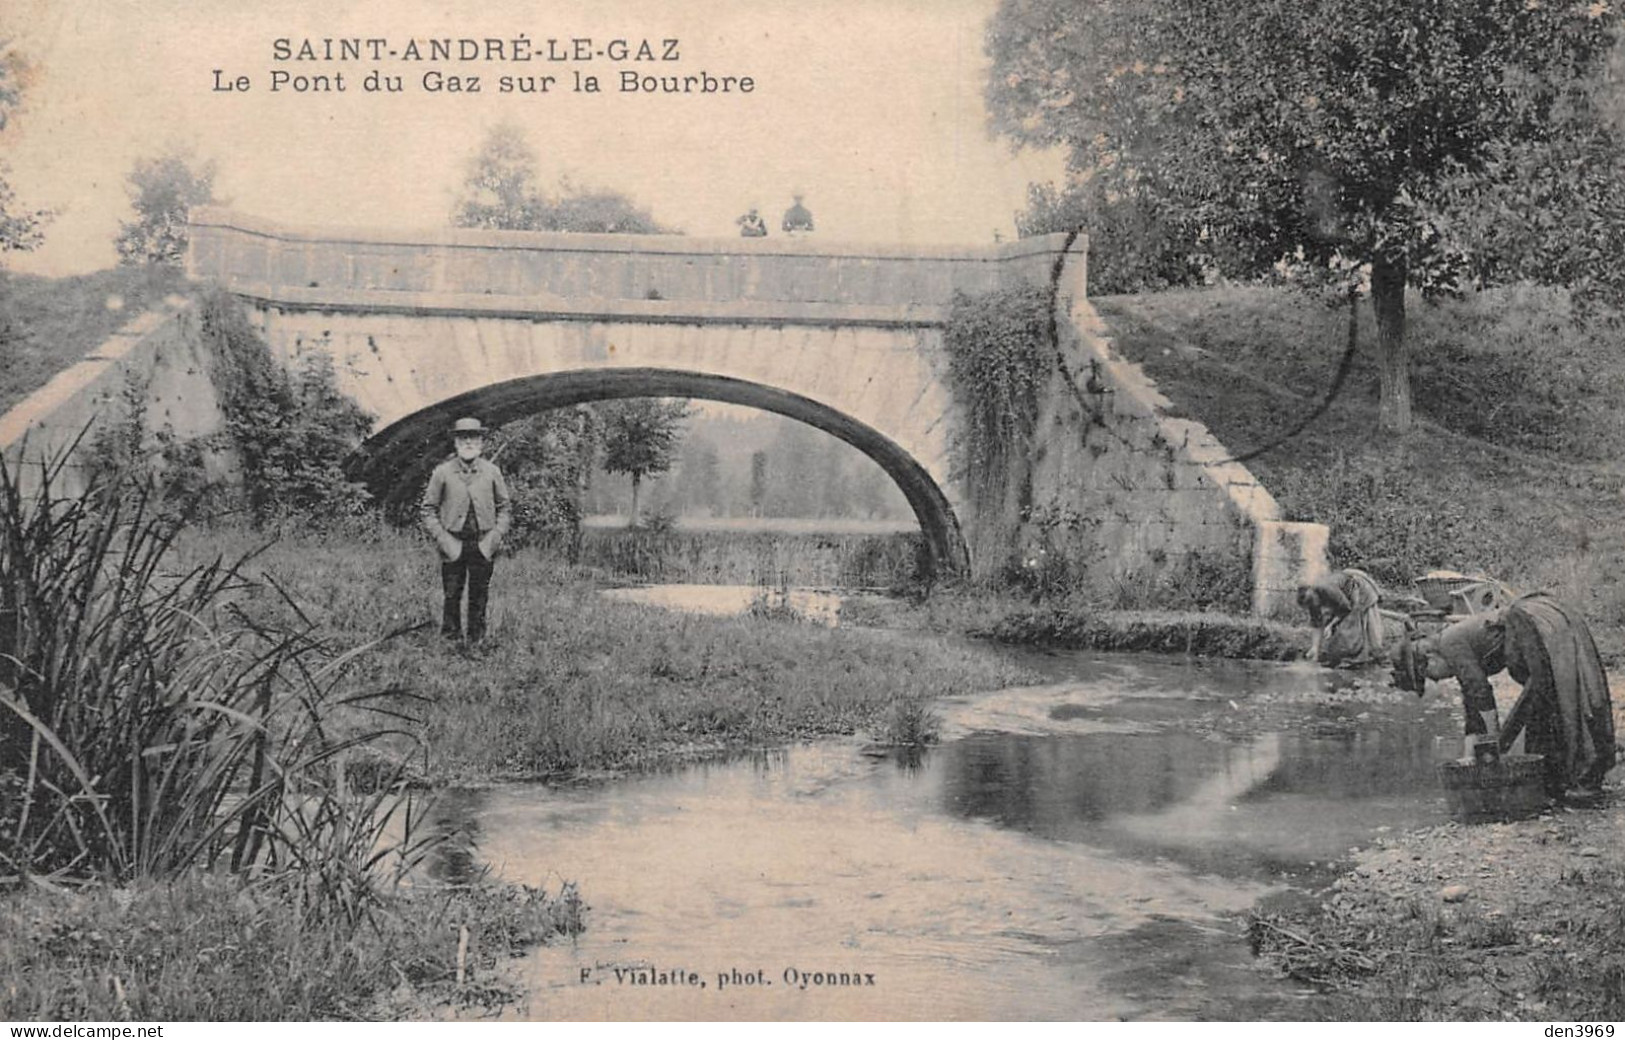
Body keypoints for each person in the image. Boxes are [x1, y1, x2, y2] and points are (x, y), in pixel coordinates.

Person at [1394, 593, 1616, 800]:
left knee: (1558, 701)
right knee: (1545, 709)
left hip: (1533, 623)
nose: (1438, 680)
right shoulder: (1450, 645)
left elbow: (1481, 694)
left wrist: (1494, 743)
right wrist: (1469, 757)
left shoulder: (1449, 644)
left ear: (1429, 659)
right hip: (1529, 623)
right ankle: (1559, 780)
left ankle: (1581, 776)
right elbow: (1472, 706)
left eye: (1431, 676)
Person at [420, 417, 512, 643]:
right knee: (452, 594)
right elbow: (428, 510)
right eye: (463, 437)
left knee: (479, 595)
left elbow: (505, 508)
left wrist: (495, 536)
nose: (468, 442)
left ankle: (476, 641)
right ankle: (451, 640)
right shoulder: (442, 472)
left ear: (481, 442)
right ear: (455, 442)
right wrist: (443, 539)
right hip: (452, 542)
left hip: (483, 542)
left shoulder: (492, 472)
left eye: (474, 437)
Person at [1297, 567, 1386, 666]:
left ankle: (1360, 658)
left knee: (1354, 626)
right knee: (1337, 629)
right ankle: (1341, 656)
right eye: (1309, 604)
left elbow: (1346, 609)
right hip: (1345, 596)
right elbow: (1317, 623)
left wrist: (1330, 626)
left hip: (1359, 589)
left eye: (1312, 601)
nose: (1314, 605)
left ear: (1313, 592)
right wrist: (1314, 648)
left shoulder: (1328, 589)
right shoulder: (1311, 600)